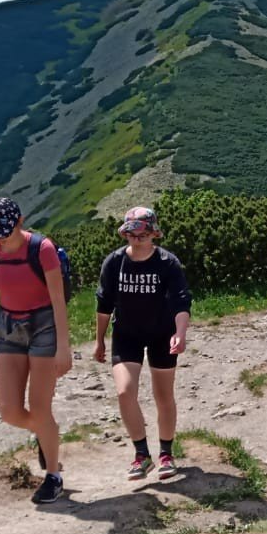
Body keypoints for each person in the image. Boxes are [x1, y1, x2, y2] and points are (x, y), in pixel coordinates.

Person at [0, 196, 71, 505]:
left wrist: (64, 348)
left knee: (40, 408)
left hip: (44, 325)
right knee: (9, 411)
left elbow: (58, 300)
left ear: (20, 222)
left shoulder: (42, 249)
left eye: (6, 231)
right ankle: (46, 435)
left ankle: (53, 475)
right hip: (8, 327)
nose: (1, 238)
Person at [94, 207, 193, 483]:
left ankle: (166, 454)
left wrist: (180, 333)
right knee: (125, 392)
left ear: (153, 234)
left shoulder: (167, 263)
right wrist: (100, 339)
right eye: (132, 232)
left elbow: (181, 301)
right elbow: (104, 304)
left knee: (163, 395)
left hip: (163, 333)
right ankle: (141, 454)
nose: (137, 238)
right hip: (126, 334)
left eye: (143, 233)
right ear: (125, 233)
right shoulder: (114, 263)